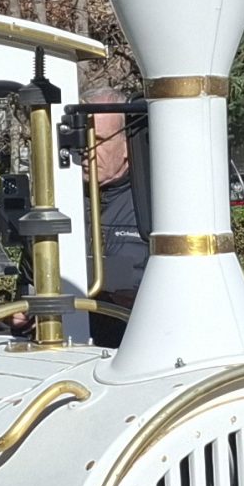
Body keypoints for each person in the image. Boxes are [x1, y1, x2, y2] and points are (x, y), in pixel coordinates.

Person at [83, 93, 148, 346]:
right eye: (82, 139)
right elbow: (29, 276)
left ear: (126, 147)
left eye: (98, 140)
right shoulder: (59, 202)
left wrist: (143, 299)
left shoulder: (151, 204)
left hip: (130, 344)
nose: (87, 151)